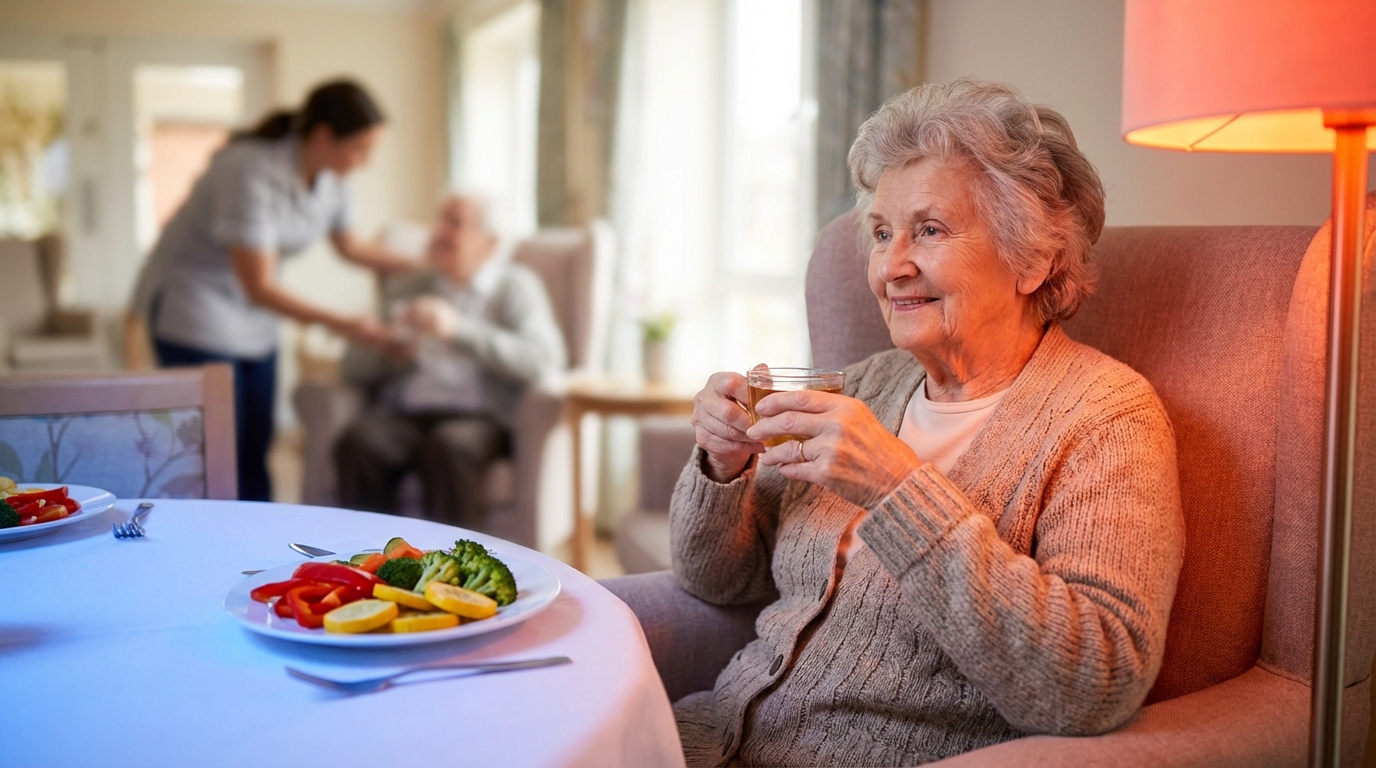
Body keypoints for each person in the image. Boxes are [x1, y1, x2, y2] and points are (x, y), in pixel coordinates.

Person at [672, 79, 1185, 767]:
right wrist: (722, 462)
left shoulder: (1105, 419)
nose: (891, 266)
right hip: (702, 739)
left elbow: (1093, 684)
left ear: (1032, 259)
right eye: (882, 233)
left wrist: (896, 486)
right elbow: (715, 581)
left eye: (930, 230)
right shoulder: (867, 383)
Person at [131, 79, 417, 501]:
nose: (364, 162)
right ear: (323, 136)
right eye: (359, 148)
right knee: (214, 451)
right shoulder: (247, 169)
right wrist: (348, 324)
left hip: (252, 319)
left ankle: (259, 547)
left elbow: (351, 247)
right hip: (194, 306)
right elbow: (260, 285)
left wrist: (430, 264)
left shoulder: (333, 177)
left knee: (256, 445)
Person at [333, 194, 565, 528]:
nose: (439, 231)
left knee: (448, 448)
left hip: (478, 417)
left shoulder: (515, 286)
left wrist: (459, 329)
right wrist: (386, 352)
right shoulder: (408, 286)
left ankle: (454, 570)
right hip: (406, 413)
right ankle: (366, 559)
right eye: (440, 219)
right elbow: (350, 368)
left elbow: (543, 360)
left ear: (489, 242)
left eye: (454, 223)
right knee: (358, 442)